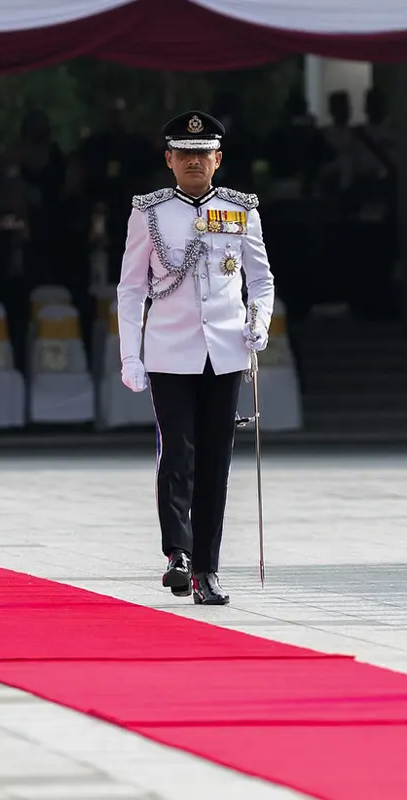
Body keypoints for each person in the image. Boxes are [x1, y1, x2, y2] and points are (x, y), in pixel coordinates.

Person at [116, 110, 276, 605]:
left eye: (202, 153)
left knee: (216, 462)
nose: (193, 161)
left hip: (225, 350)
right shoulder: (149, 211)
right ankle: (178, 553)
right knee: (178, 454)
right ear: (168, 159)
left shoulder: (241, 208)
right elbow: (130, 288)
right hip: (169, 350)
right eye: (184, 154)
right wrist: (130, 354)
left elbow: (262, 279)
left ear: (218, 159)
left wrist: (260, 322)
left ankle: (209, 567)